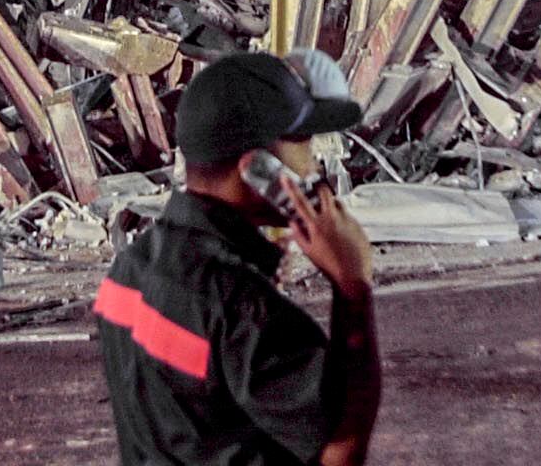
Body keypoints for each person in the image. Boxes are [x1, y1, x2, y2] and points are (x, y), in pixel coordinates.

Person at [96, 50, 382, 465]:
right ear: (259, 169)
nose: (314, 162)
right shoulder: (244, 309)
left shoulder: (129, 267)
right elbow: (342, 451)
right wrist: (352, 286)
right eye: (302, 144)